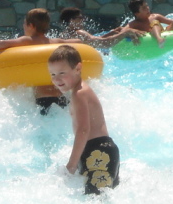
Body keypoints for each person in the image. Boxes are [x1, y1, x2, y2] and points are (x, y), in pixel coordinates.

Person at [48, 45, 120, 195]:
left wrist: (71, 165)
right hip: (98, 151)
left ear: (78, 68)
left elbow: (83, 130)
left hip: (99, 152)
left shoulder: (79, 94)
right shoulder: (79, 91)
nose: (57, 79)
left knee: (96, 202)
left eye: (62, 73)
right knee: (97, 201)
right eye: (53, 74)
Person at [0, 8, 82, 115]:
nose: (23, 26)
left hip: (43, 100)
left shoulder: (27, 40)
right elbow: (78, 41)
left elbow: (0, 44)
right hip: (62, 99)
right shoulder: (55, 42)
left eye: (25, 23)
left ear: (31, 25)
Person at [59, 7, 142, 48]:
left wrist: (112, 32)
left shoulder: (63, 35)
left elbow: (94, 41)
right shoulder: (79, 33)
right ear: (71, 20)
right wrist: (124, 33)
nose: (83, 20)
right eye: (80, 18)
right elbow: (104, 43)